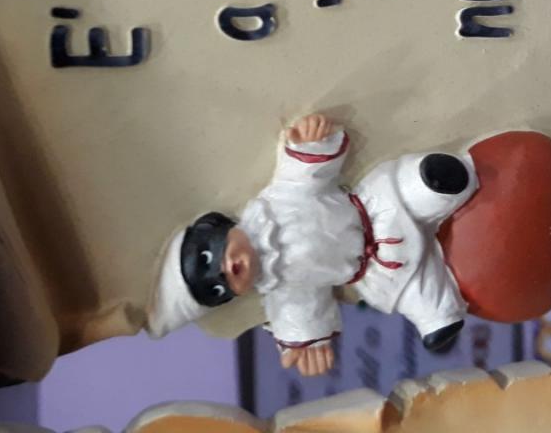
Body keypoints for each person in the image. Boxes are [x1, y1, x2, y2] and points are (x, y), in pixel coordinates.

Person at [149, 113, 477, 376]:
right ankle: (438, 318)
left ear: (215, 227)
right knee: (426, 303)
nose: (224, 270)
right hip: (381, 271)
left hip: (379, 205)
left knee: (425, 183)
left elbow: (303, 174)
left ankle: (453, 179)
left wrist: (310, 143)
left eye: (208, 258)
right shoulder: (283, 288)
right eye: (218, 287)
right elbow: (300, 312)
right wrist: (306, 342)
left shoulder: (279, 201)